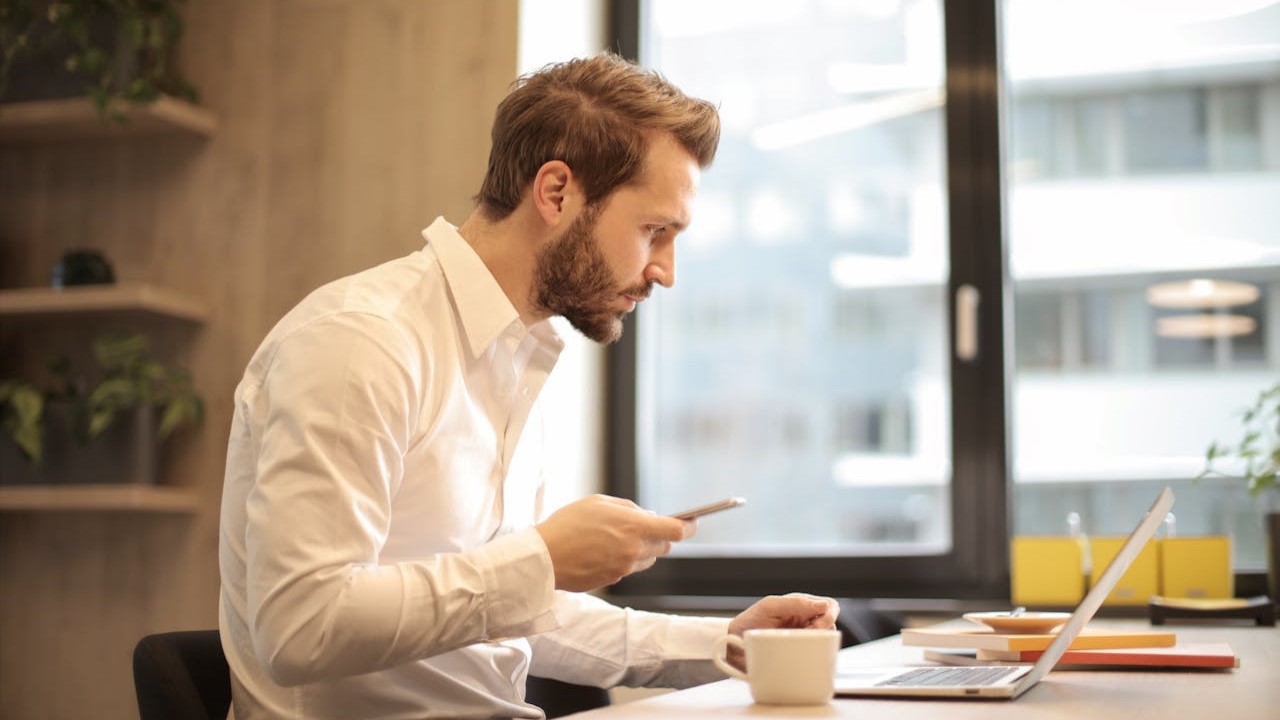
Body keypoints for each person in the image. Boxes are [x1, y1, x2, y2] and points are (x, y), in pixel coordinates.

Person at [218, 53, 839, 720]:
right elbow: (299, 628)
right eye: (654, 231)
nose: (666, 272)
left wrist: (725, 643)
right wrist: (540, 560)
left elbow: (508, 614)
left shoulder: (517, 356)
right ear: (556, 193)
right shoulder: (361, 342)